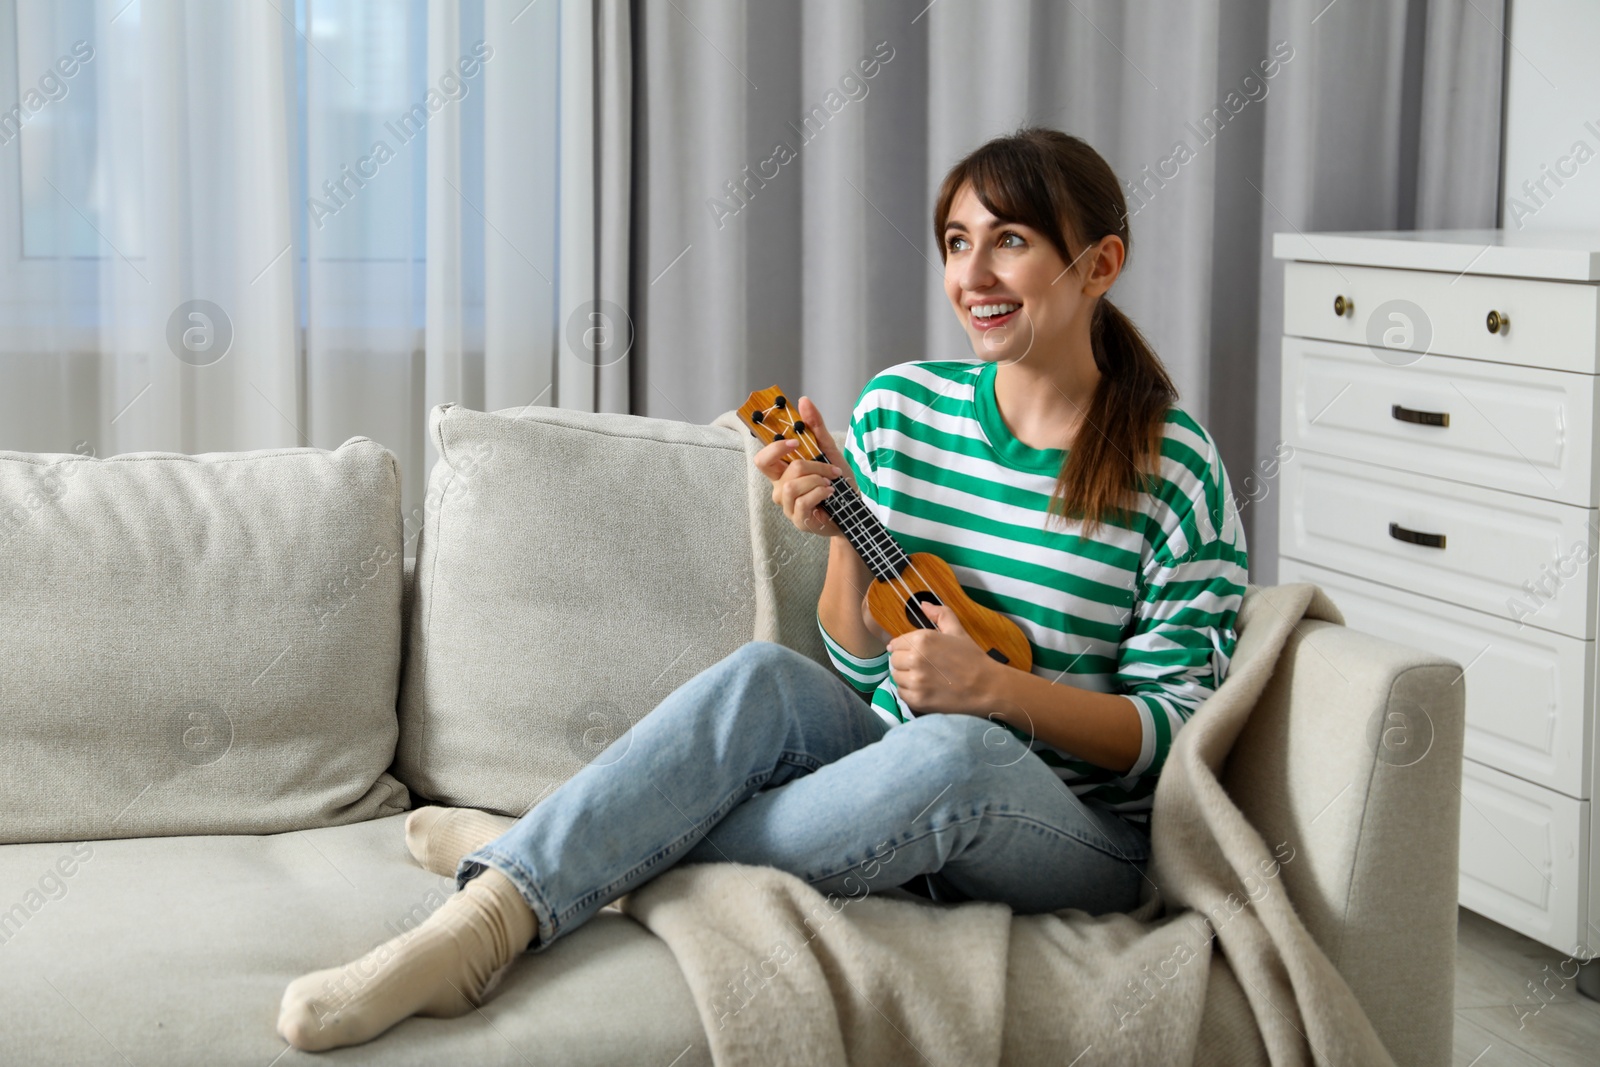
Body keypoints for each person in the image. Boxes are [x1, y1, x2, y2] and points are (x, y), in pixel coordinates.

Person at [276, 126, 1249, 1052]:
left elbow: (1167, 733)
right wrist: (840, 535)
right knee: (761, 678)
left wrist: (998, 694)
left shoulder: (1172, 466)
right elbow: (852, 652)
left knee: (958, 746)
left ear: (1099, 263)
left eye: (1011, 241)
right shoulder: (903, 407)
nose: (972, 274)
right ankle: (484, 924)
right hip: (888, 756)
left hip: (1077, 833)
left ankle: (551, 843)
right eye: (957, 241)